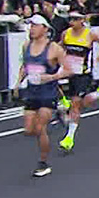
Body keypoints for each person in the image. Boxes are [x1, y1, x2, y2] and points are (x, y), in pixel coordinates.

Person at [18, 15, 72, 177]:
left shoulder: (54, 48)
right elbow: (25, 66)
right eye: (31, 26)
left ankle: (43, 163)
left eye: (35, 26)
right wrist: (18, 82)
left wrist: (53, 77)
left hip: (48, 93)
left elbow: (68, 69)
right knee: (29, 130)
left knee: (41, 128)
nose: (32, 29)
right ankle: (61, 114)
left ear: (45, 29)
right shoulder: (26, 45)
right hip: (32, 92)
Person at [58, 9, 99, 152]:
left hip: (83, 73)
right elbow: (60, 47)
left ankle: (69, 138)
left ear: (82, 20)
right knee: (74, 101)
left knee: (76, 105)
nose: (72, 22)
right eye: (71, 19)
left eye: (76, 19)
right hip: (69, 71)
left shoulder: (89, 34)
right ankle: (98, 93)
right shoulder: (66, 33)